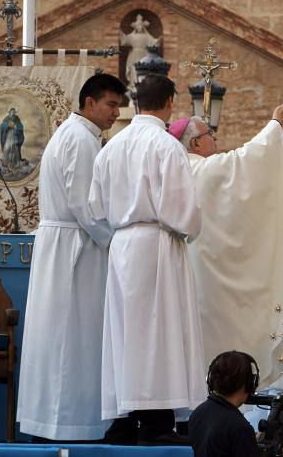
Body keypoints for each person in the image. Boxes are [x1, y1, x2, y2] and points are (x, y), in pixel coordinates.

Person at [88, 74, 203, 446]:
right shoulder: (166, 147)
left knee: (127, 334)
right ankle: (156, 422)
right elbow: (183, 212)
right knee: (158, 333)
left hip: (122, 245)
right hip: (156, 244)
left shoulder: (111, 148)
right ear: (170, 102)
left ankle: (124, 419)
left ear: (136, 103)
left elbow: (96, 207)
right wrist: (189, 229)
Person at [168, 107, 283, 389]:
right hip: (208, 273)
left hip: (195, 267)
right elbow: (246, 161)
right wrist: (275, 123)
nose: (216, 140)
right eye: (210, 134)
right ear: (195, 143)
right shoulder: (199, 168)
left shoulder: (180, 169)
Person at [17, 73, 124, 441]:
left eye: (118, 105)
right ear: (89, 102)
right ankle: (69, 426)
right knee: (73, 337)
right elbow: (85, 204)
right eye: (110, 104)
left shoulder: (76, 135)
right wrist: (117, 242)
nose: (115, 112)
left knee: (62, 337)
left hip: (64, 243)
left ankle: (54, 420)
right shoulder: (80, 140)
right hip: (76, 247)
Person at [188, 351, 260, 457]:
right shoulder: (239, 427)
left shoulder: (198, 413)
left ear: (210, 380)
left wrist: (250, 443)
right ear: (251, 383)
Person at [0, 107, 25, 173]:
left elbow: (21, 126)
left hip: (14, 135)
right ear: (9, 112)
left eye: (14, 111)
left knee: (14, 148)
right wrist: (7, 125)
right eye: (12, 111)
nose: (13, 112)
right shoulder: (6, 118)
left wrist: (15, 126)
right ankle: (6, 163)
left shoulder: (16, 118)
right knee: (7, 148)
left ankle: (14, 165)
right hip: (8, 135)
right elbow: (2, 126)